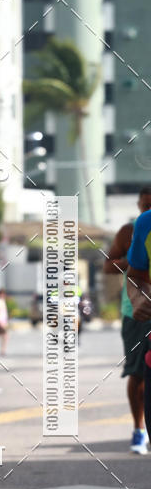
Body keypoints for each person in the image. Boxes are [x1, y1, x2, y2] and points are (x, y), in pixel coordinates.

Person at [105, 187, 151, 454]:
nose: (147, 209)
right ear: (138, 205)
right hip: (136, 311)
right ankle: (138, 429)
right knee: (137, 373)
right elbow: (109, 266)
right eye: (144, 205)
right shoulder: (131, 230)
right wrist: (132, 258)